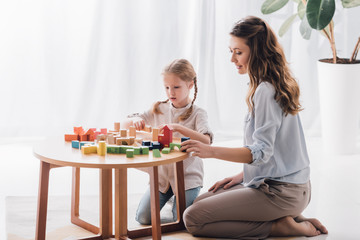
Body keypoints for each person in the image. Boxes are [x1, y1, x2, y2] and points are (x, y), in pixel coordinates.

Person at [181, 16, 328, 239]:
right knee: (200, 202)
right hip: (283, 187)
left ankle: (279, 227)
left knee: (193, 219)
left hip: (282, 193)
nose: (232, 59)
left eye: (238, 52)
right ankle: (294, 217)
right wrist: (243, 175)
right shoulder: (267, 83)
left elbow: (261, 151)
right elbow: (275, 151)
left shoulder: (265, 91)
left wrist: (211, 151)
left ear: (257, 51)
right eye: (231, 51)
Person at [122, 59, 213, 225]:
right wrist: (136, 119)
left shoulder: (199, 113)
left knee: (182, 221)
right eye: (167, 87)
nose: (171, 92)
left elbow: (207, 140)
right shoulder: (158, 107)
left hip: (188, 179)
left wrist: (179, 127)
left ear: (190, 85)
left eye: (176, 87)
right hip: (161, 179)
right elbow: (126, 123)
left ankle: (180, 202)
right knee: (143, 218)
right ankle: (171, 200)